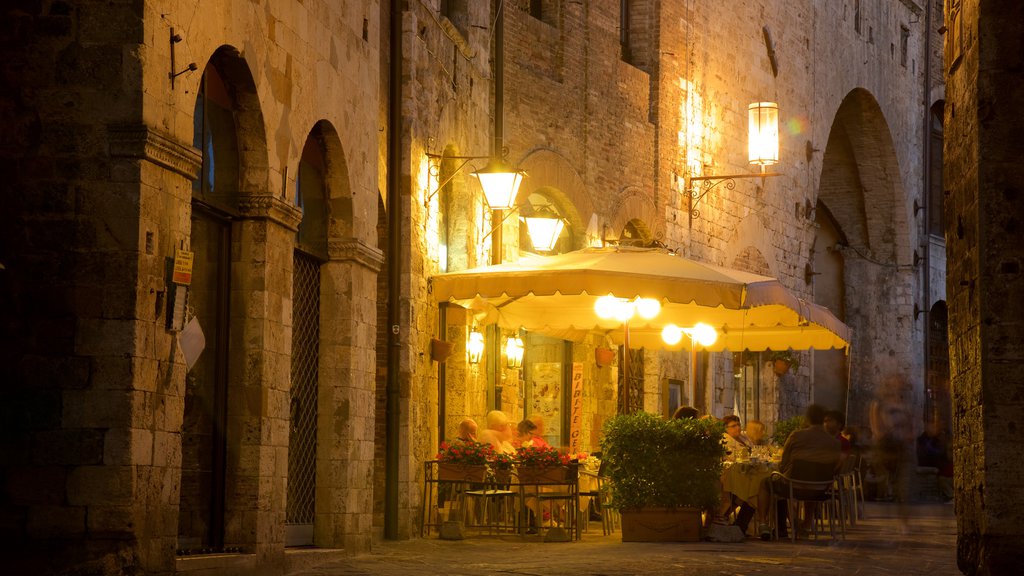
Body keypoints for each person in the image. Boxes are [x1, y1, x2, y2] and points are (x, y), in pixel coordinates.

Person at [755, 404, 841, 540]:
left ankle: (763, 523)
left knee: (765, 483)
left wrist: (785, 471)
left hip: (793, 486)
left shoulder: (797, 436)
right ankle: (806, 525)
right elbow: (835, 467)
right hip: (820, 488)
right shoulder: (834, 443)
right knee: (813, 481)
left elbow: (783, 462)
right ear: (823, 419)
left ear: (808, 419)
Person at [870, 374, 916, 532]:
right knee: (891, 486)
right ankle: (892, 521)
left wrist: (906, 436)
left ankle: (903, 522)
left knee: (903, 488)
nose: (897, 387)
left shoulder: (905, 405)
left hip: (902, 450)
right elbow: (876, 429)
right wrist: (887, 435)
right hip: (886, 451)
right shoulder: (879, 405)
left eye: (899, 384)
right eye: (894, 384)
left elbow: (911, 428)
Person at [917, 418, 954, 502]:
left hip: (941, 464)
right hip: (930, 462)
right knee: (943, 478)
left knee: (947, 476)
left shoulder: (938, 438)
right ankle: (951, 496)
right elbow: (929, 452)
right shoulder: (923, 439)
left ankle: (950, 495)